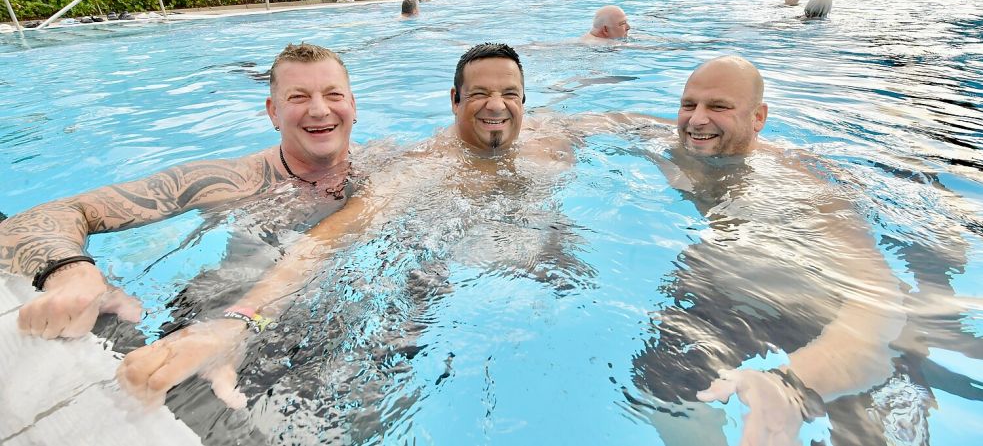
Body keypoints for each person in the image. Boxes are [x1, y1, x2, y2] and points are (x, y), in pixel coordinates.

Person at [114, 43, 664, 410]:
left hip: (555, 257)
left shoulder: (556, 137)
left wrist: (742, 142)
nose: (496, 105)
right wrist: (240, 319)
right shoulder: (422, 166)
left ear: (525, 101)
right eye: (478, 93)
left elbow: (632, 122)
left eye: (510, 94)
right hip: (474, 271)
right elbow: (333, 236)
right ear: (454, 101)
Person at [631, 56, 906, 445]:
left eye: (718, 107)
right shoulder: (674, 150)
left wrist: (793, 384)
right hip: (721, 295)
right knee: (657, 383)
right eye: (688, 105)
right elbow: (612, 122)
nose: (696, 120)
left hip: (807, 310)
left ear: (758, 118)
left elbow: (879, 299)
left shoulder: (803, 181)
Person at [3, 43, 358, 340]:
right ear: (273, 113)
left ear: (352, 105)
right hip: (212, 320)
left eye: (333, 95)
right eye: (298, 97)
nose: (318, 109)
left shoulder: (386, 169)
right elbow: (42, 217)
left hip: (332, 323)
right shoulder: (232, 180)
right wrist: (70, 273)